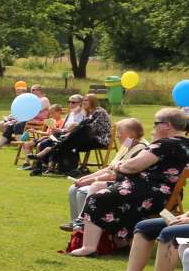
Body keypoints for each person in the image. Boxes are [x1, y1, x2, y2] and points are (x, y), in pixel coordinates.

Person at [68, 108, 189, 256]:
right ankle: (119, 241)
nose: (153, 127)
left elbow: (133, 166)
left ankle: (89, 247)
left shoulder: (164, 144)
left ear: (167, 125)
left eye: (156, 123)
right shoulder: (184, 144)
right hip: (165, 195)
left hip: (151, 194)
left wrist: (119, 165)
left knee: (96, 198)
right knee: (100, 186)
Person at [64, 118, 146, 230]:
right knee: (73, 188)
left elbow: (115, 174)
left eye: (120, 132)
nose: (117, 136)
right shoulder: (127, 145)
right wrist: (85, 178)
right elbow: (109, 168)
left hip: (122, 183)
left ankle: (84, 224)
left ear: (131, 134)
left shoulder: (141, 149)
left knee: (82, 191)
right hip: (112, 179)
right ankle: (76, 224)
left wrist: (91, 180)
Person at [30, 94, 111, 177]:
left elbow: (91, 129)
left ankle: (44, 158)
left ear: (93, 101)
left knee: (70, 137)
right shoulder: (88, 113)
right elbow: (83, 127)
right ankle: (58, 167)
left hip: (99, 139)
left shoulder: (100, 112)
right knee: (63, 140)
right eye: (83, 100)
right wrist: (68, 131)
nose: (83, 102)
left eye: (86, 100)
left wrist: (74, 128)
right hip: (85, 138)